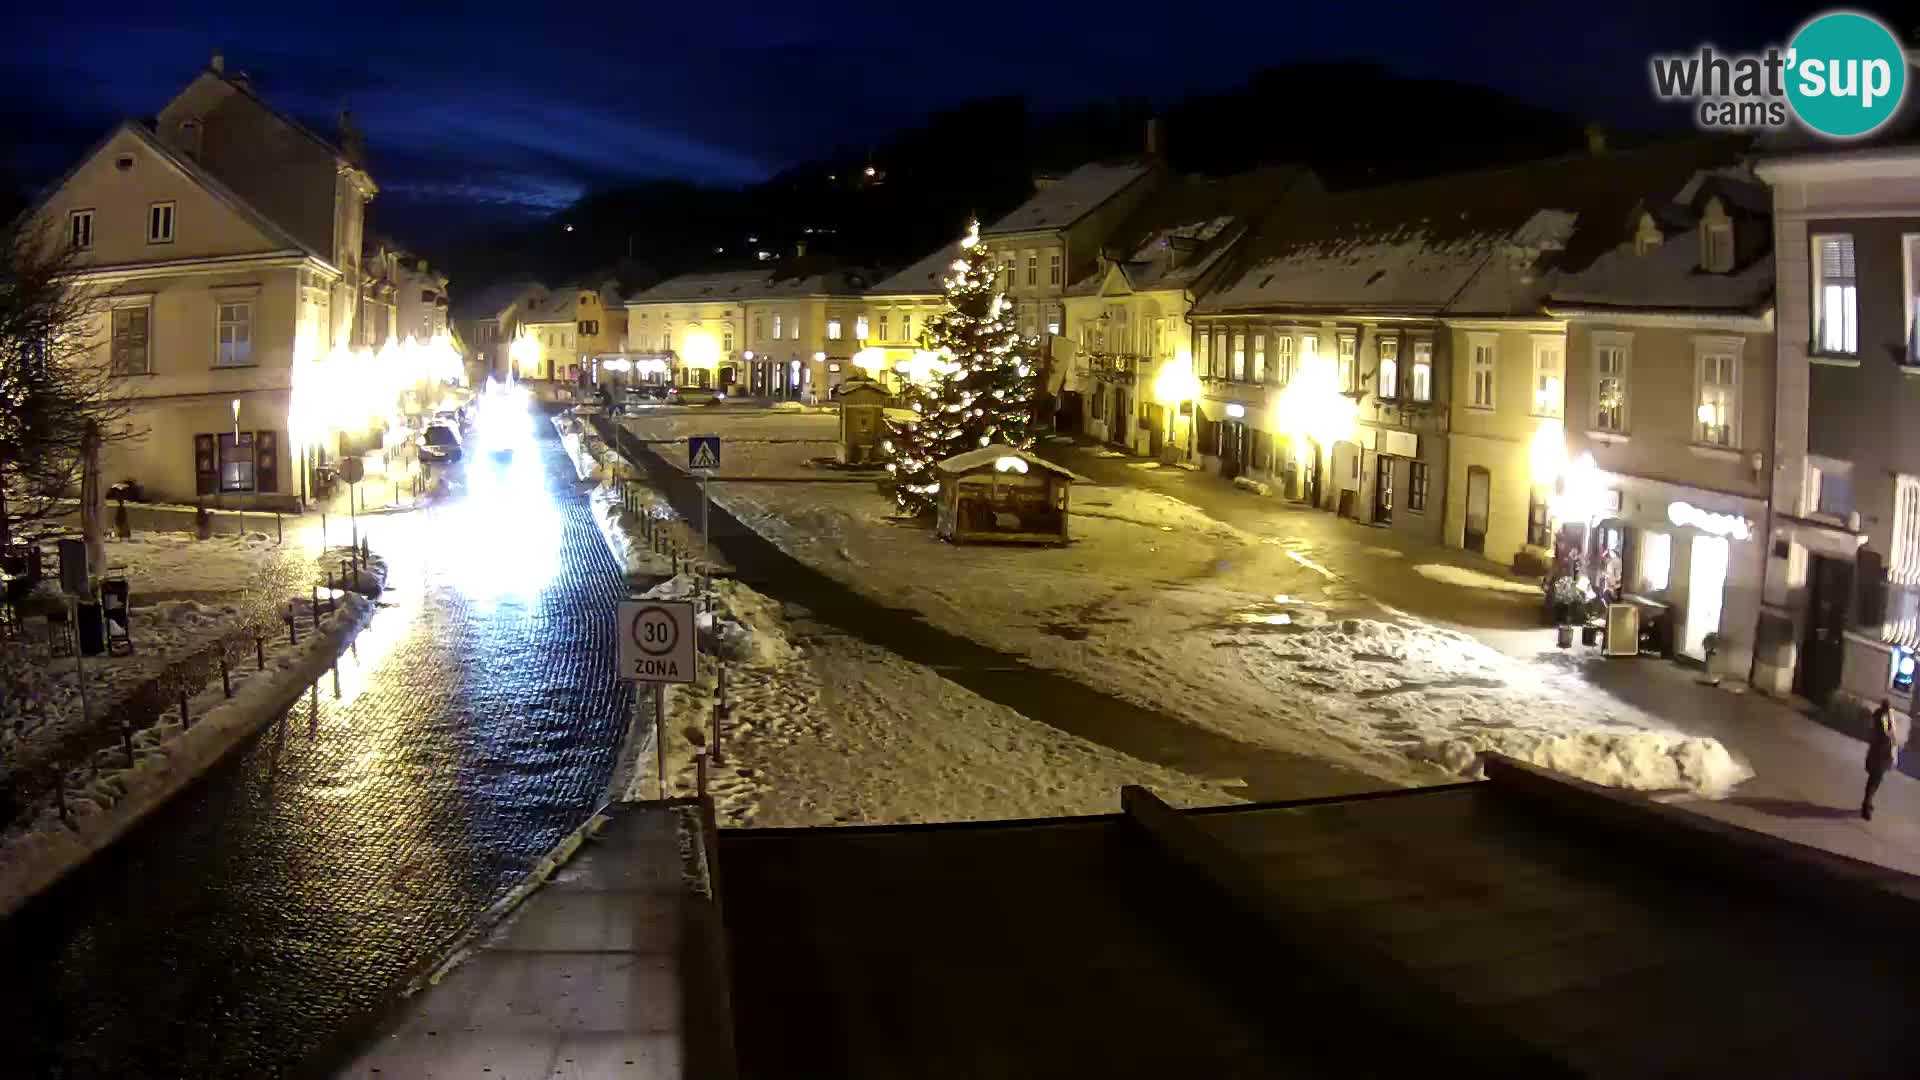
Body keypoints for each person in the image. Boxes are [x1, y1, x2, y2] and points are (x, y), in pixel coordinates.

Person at [1863, 698, 1901, 820]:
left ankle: (1867, 802)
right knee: (1875, 780)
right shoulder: (1885, 717)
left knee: (1873, 779)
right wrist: (1894, 744)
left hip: (1875, 750)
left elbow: (1871, 730)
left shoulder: (1876, 714)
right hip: (1881, 753)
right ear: (1887, 707)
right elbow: (1888, 733)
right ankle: (1866, 805)